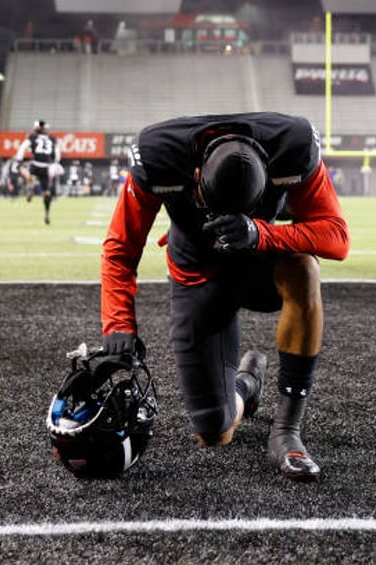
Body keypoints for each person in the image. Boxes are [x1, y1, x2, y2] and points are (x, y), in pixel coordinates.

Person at [100, 111, 350, 482]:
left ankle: (286, 431)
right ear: (196, 176)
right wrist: (119, 323)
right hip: (196, 277)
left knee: (304, 270)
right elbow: (121, 248)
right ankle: (246, 385)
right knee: (214, 432)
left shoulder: (292, 145)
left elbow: (337, 237)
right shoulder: (160, 155)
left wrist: (260, 233)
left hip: (258, 266)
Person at [14, 120, 61, 224]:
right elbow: (57, 154)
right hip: (46, 167)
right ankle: (47, 212)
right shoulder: (52, 139)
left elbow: (22, 148)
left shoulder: (32, 137)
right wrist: (55, 162)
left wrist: (18, 160)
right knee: (46, 193)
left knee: (20, 168)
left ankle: (31, 186)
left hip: (35, 164)